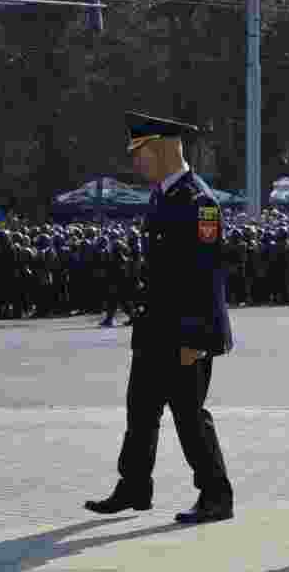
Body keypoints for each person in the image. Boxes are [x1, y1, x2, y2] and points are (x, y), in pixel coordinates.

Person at [85, 111, 234, 524]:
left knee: (189, 416)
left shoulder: (198, 201)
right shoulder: (163, 195)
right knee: (141, 411)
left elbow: (205, 275)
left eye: (141, 152)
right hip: (155, 329)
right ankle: (134, 486)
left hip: (186, 332)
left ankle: (216, 494)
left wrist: (195, 339)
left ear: (165, 148)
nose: (135, 162)